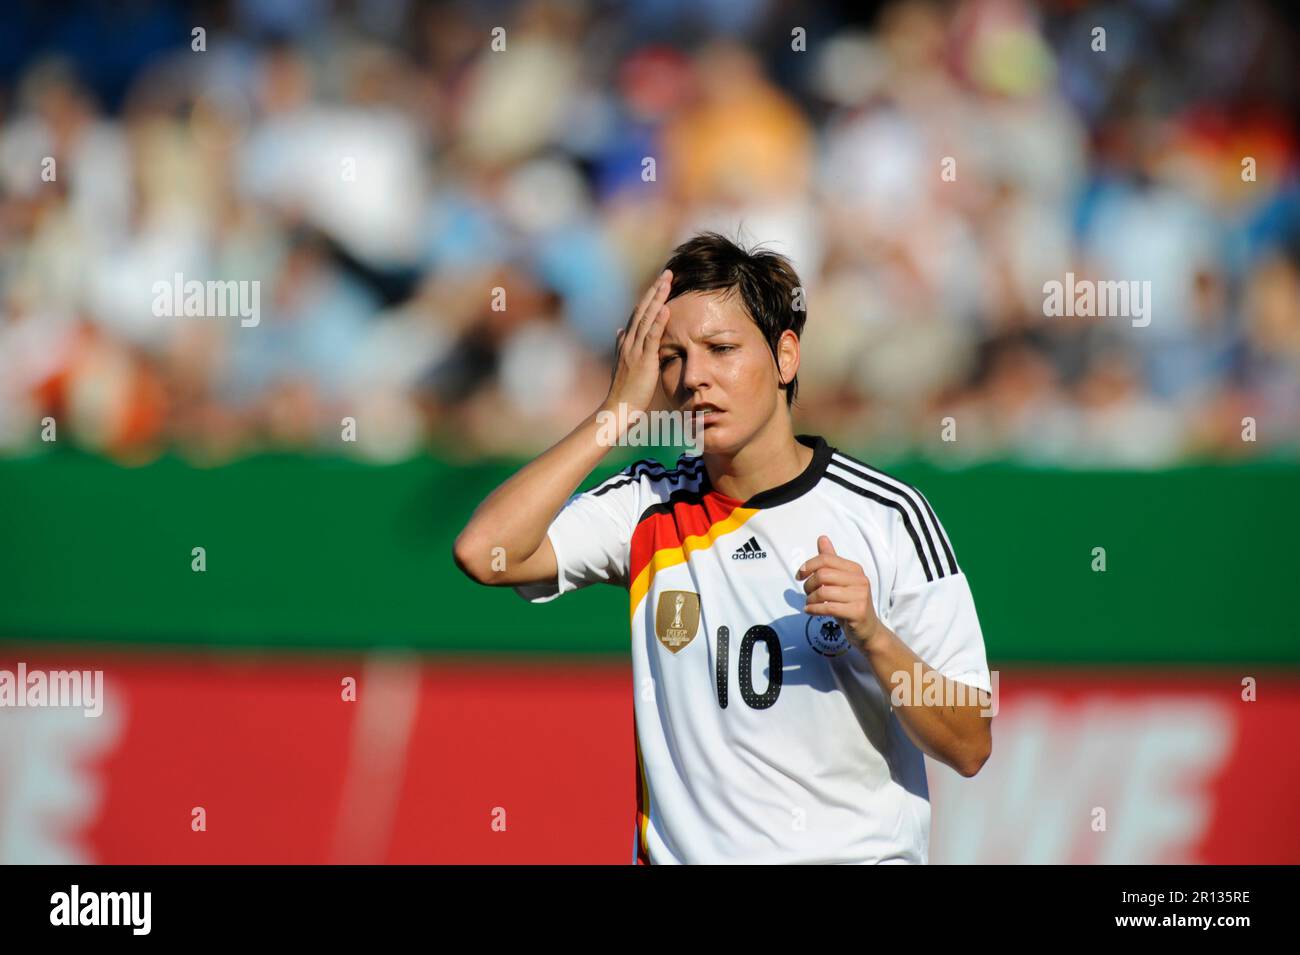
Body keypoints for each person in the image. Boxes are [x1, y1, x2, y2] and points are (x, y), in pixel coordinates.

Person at [453, 231, 993, 864]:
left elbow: (970, 743)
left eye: (721, 348)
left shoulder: (887, 515)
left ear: (785, 357)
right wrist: (616, 412)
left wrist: (874, 635)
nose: (695, 378)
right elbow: (485, 550)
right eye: (673, 356)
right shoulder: (647, 502)